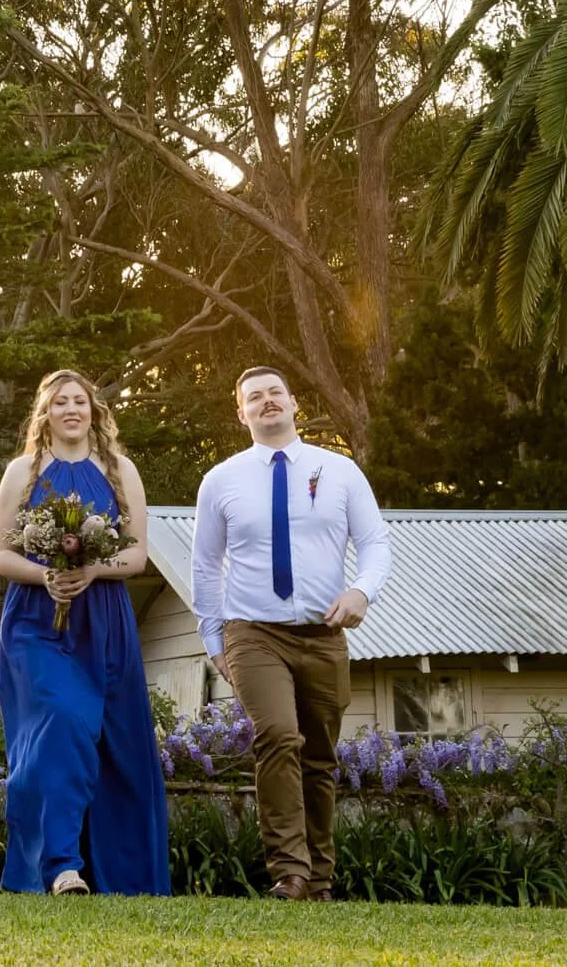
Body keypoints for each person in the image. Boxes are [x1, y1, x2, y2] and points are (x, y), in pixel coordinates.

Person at [193, 366, 392, 902]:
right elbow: (206, 566)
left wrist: (362, 592)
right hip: (252, 631)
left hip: (324, 634)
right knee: (278, 735)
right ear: (241, 414)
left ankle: (320, 879)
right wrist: (214, 640)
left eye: (274, 393)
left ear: (293, 402)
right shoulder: (222, 480)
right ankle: (291, 873)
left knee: (320, 756)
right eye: (253, 398)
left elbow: (375, 543)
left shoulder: (340, 471)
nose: (266, 402)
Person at [0, 370, 169, 896]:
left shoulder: (120, 472)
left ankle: (120, 873)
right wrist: (47, 575)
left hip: (103, 616)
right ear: (44, 413)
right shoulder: (22, 471)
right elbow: (1, 554)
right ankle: (60, 866)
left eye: (81, 401)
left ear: (95, 410)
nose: (72, 409)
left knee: (117, 744)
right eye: (60, 401)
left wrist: (93, 569)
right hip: (34, 619)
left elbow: (135, 554)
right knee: (59, 721)